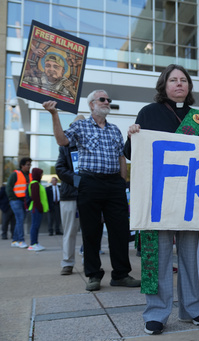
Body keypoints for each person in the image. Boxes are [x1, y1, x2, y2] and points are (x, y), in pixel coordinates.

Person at [124, 64, 199, 335]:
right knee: (157, 258)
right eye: (173, 80)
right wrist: (133, 135)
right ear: (164, 85)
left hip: (189, 197)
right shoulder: (148, 113)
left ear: (189, 86)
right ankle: (156, 313)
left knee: (188, 257)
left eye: (183, 80)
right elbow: (130, 154)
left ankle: (193, 309)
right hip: (157, 198)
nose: (179, 84)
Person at [43, 90, 140, 292]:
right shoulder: (80, 125)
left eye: (108, 100)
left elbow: (122, 157)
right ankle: (94, 275)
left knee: (120, 231)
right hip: (90, 182)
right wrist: (54, 115)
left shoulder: (115, 130)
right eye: (102, 99)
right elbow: (62, 141)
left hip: (114, 185)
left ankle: (121, 274)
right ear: (91, 104)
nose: (107, 102)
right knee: (91, 232)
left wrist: (123, 182)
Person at [55, 115, 85, 275]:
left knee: (89, 231)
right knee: (69, 231)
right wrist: (78, 180)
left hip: (88, 195)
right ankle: (67, 263)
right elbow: (59, 168)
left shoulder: (90, 145)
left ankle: (89, 261)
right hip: (70, 195)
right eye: (76, 125)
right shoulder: (65, 146)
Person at [6, 157, 32, 248]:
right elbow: (9, 187)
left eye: (30, 164)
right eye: (28, 164)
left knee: (19, 220)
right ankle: (21, 241)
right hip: (15, 201)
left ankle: (14, 241)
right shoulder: (15, 174)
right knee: (20, 219)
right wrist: (13, 198)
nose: (29, 166)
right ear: (22, 165)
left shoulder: (30, 176)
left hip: (24, 201)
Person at [27, 168, 47, 251]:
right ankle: (33, 244)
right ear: (37, 174)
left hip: (37, 208)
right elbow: (35, 197)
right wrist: (40, 207)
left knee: (36, 226)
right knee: (35, 226)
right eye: (41, 174)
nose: (42, 175)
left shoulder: (36, 183)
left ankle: (35, 243)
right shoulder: (35, 184)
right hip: (36, 208)